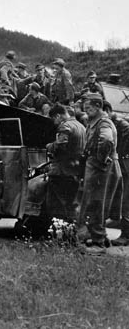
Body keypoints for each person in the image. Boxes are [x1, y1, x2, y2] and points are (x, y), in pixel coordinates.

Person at [78, 93, 121, 254]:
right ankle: (100, 236)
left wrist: (102, 160)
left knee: (97, 203)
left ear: (97, 107)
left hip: (100, 168)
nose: (86, 111)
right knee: (95, 202)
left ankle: (98, 242)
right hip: (98, 167)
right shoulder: (95, 121)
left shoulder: (103, 123)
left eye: (88, 108)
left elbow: (107, 141)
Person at [41, 104, 86, 221]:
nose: (54, 123)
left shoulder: (65, 127)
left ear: (58, 116)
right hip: (75, 170)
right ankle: (71, 231)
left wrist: (49, 146)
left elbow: (60, 145)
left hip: (61, 171)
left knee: (55, 205)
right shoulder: (81, 126)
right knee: (70, 203)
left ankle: (59, 234)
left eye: (54, 120)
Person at [104, 102, 129, 246]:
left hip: (126, 167)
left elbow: (121, 148)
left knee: (126, 202)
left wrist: (119, 156)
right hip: (122, 166)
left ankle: (126, 236)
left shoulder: (123, 126)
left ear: (107, 110)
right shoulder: (114, 124)